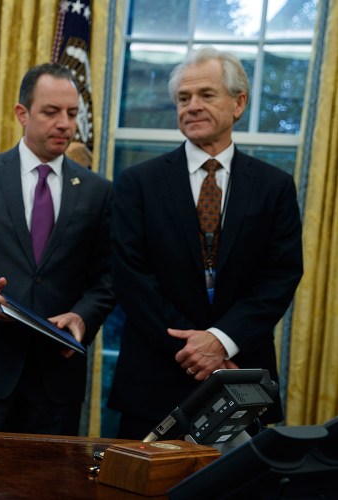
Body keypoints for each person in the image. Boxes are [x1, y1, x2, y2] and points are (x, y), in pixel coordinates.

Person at [108, 47, 303, 439]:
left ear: (239, 103)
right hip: (155, 378)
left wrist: (221, 341)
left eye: (206, 95)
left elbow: (280, 276)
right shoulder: (137, 183)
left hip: (239, 376)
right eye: (183, 98)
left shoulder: (274, 187)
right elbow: (130, 276)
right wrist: (198, 352)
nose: (192, 106)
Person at [0, 63, 114, 435]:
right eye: (51, 112)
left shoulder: (98, 191)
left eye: (72, 114)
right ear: (22, 114)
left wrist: (82, 317)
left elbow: (107, 277)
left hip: (57, 378)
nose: (65, 123)